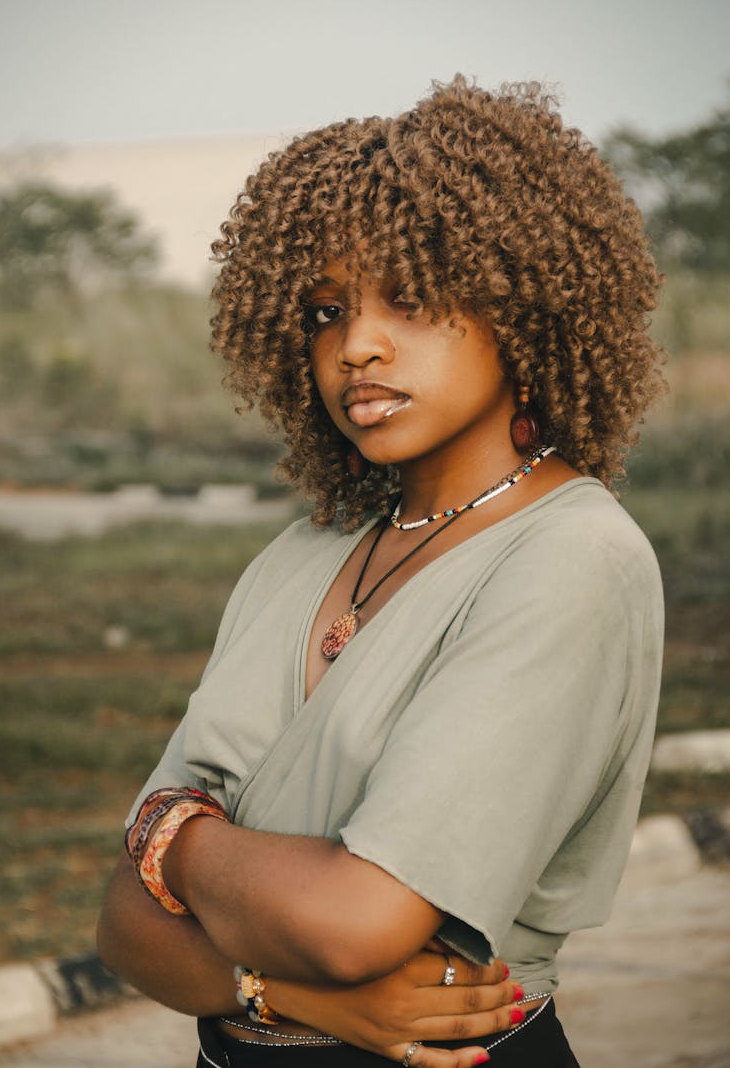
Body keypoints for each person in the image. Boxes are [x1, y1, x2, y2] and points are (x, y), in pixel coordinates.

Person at [97, 76, 665, 1067]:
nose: (356, 345)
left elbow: (356, 923)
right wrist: (268, 993)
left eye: (408, 297)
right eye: (324, 311)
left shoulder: (575, 560)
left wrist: (170, 836)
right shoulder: (305, 551)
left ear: (519, 308)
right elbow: (122, 931)